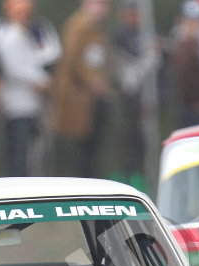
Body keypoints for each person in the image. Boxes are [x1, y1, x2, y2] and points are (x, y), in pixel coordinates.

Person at [0, 0, 61, 177]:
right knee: (17, 153)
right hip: (13, 105)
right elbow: (10, 65)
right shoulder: (1, 31)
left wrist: (43, 78)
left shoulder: (37, 29)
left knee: (34, 155)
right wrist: (38, 80)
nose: (24, 14)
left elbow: (51, 53)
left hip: (35, 105)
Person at [51, 0, 112, 178]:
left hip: (93, 99)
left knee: (92, 152)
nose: (102, 7)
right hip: (78, 99)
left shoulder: (96, 28)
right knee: (80, 153)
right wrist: (93, 81)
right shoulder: (78, 26)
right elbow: (72, 60)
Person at [111, 0, 158, 187]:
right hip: (127, 97)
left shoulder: (142, 33)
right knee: (128, 141)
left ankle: (140, 175)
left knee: (141, 142)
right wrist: (150, 56)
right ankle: (127, 177)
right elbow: (129, 68)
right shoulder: (121, 35)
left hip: (140, 96)